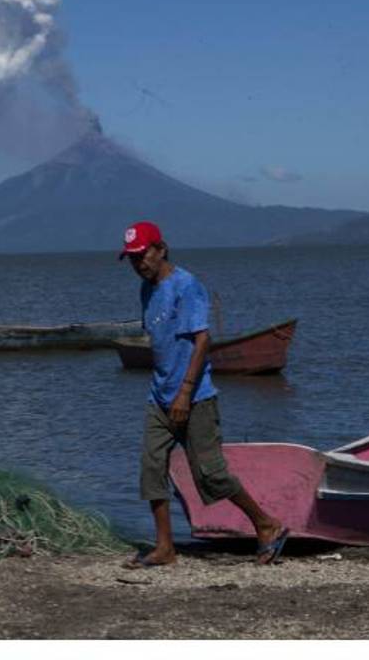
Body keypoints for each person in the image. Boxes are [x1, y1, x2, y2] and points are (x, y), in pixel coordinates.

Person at [118, 220, 287, 567]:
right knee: (151, 468)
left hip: (195, 398)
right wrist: (166, 389)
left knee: (211, 475)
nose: (138, 263)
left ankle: (265, 524)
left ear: (161, 249)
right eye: (132, 258)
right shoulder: (146, 290)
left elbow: (202, 341)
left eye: (143, 255)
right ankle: (165, 547)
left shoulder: (187, 286)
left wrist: (184, 393)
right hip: (159, 398)